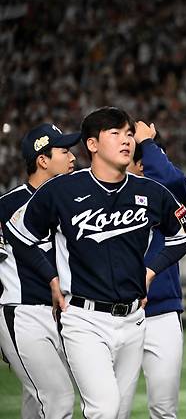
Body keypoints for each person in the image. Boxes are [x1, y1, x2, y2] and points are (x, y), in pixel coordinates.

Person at [6, 107, 186, 419]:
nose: (126, 140)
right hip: (84, 319)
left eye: (128, 134)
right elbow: (19, 234)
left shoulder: (150, 191)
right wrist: (50, 278)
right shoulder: (62, 190)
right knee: (104, 409)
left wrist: (151, 270)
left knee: (118, 413)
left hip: (134, 319)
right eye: (115, 133)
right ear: (92, 144)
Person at [0, 123, 79, 419]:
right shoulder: (6, 207)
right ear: (43, 160)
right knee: (57, 400)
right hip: (23, 313)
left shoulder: (73, 204)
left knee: (37, 403)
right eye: (64, 151)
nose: (73, 157)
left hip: (64, 315)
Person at [127, 121, 186, 419]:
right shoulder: (100, 197)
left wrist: (147, 143)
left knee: (164, 409)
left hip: (163, 312)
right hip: (115, 314)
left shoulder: (163, 195)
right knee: (110, 409)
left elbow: (175, 184)